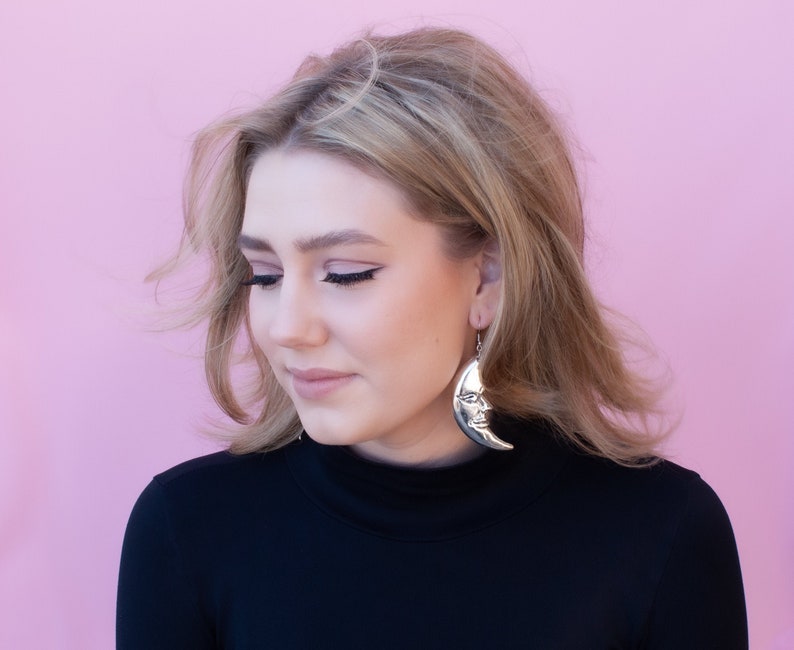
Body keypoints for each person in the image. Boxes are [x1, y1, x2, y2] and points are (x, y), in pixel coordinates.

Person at [116, 27, 747, 648]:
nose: (286, 329)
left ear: (488, 280)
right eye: (266, 275)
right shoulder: (188, 531)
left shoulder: (663, 534)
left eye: (346, 274)